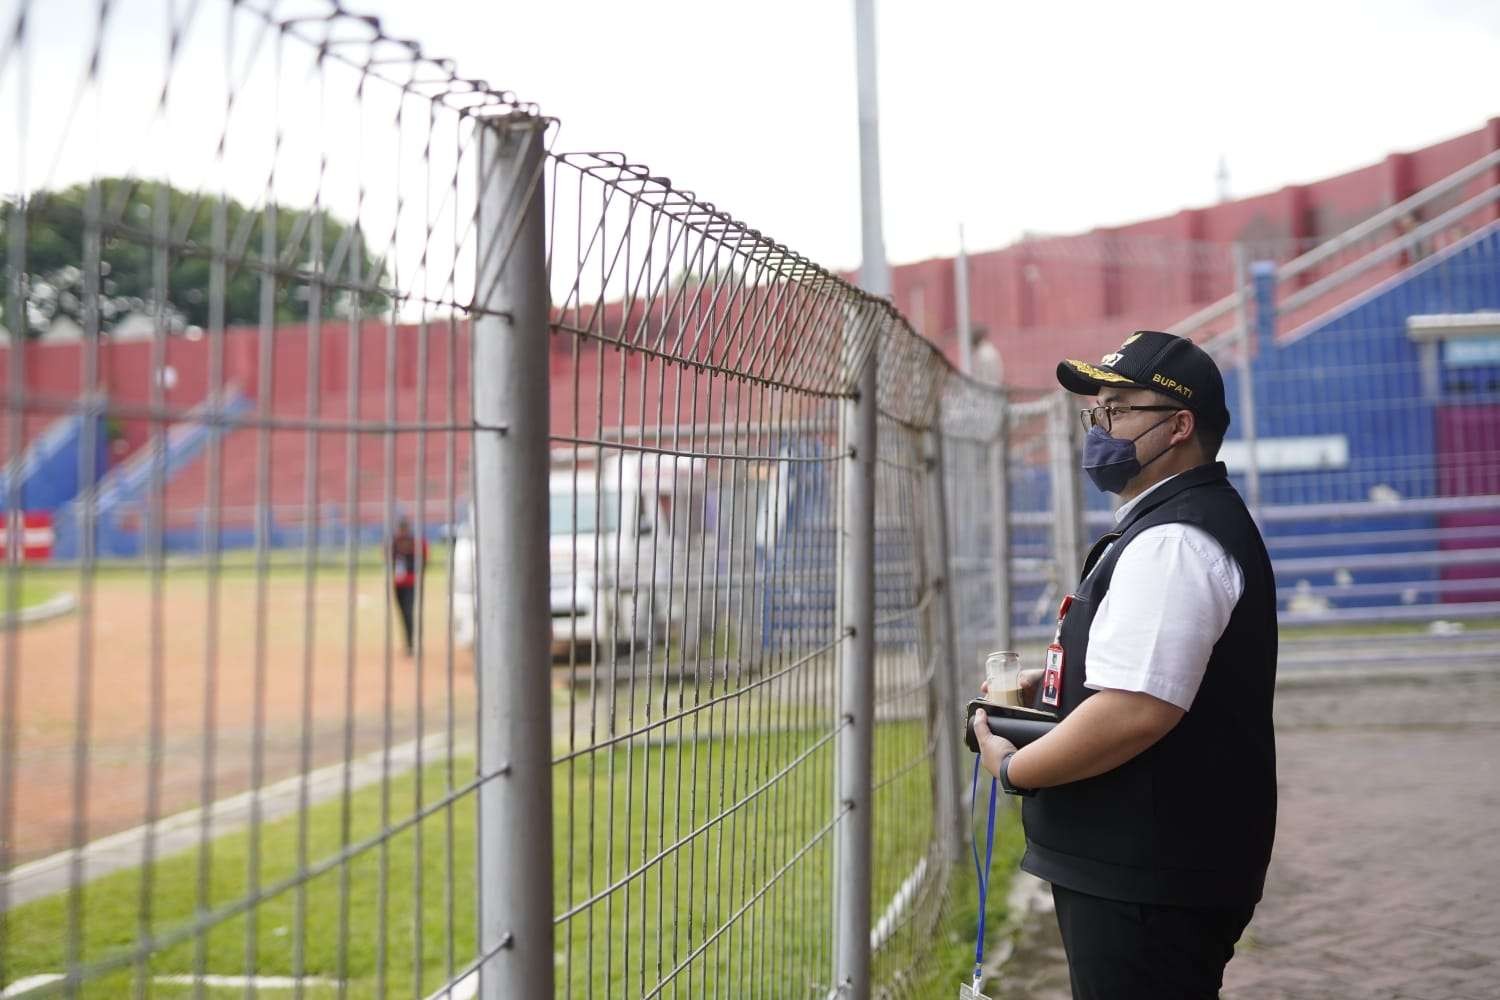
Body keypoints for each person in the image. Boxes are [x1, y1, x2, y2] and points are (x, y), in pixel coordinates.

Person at [971, 330, 1277, 1000]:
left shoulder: (1174, 540)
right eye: (1095, 412)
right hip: (1144, 864)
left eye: (1117, 409)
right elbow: (1144, 677)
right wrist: (1058, 685)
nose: (1099, 428)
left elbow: (1137, 710)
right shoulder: (1164, 524)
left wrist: (1016, 768)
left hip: (1150, 872)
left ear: (1179, 426)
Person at [390, 517, 429, 656]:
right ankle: (408, 643)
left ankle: (414, 644)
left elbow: (424, 561)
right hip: (398, 583)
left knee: (410, 613)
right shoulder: (394, 543)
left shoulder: (417, 543)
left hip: (413, 583)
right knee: (403, 614)